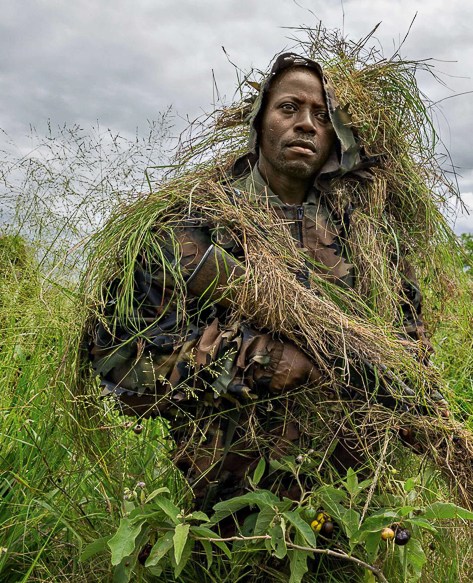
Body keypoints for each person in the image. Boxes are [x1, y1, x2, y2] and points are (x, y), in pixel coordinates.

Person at [84, 54, 429, 510]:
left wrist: (409, 398)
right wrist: (258, 361)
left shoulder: (370, 237)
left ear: (336, 139)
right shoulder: (193, 223)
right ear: (259, 122)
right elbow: (119, 355)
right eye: (289, 108)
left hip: (350, 505)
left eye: (322, 116)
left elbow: (410, 340)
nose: (305, 124)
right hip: (226, 507)